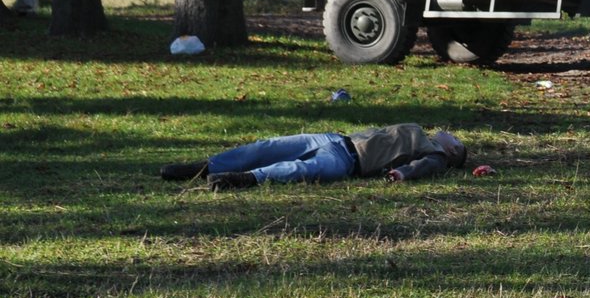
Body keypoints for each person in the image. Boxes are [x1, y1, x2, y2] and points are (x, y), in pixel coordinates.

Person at [159, 124, 467, 191]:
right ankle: (204, 167)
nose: (448, 134)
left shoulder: (436, 153)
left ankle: (242, 179)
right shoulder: (422, 134)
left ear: (453, 150)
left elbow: (424, 166)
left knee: (298, 169)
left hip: (349, 163)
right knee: (266, 145)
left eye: (454, 139)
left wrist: (402, 174)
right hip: (335, 139)